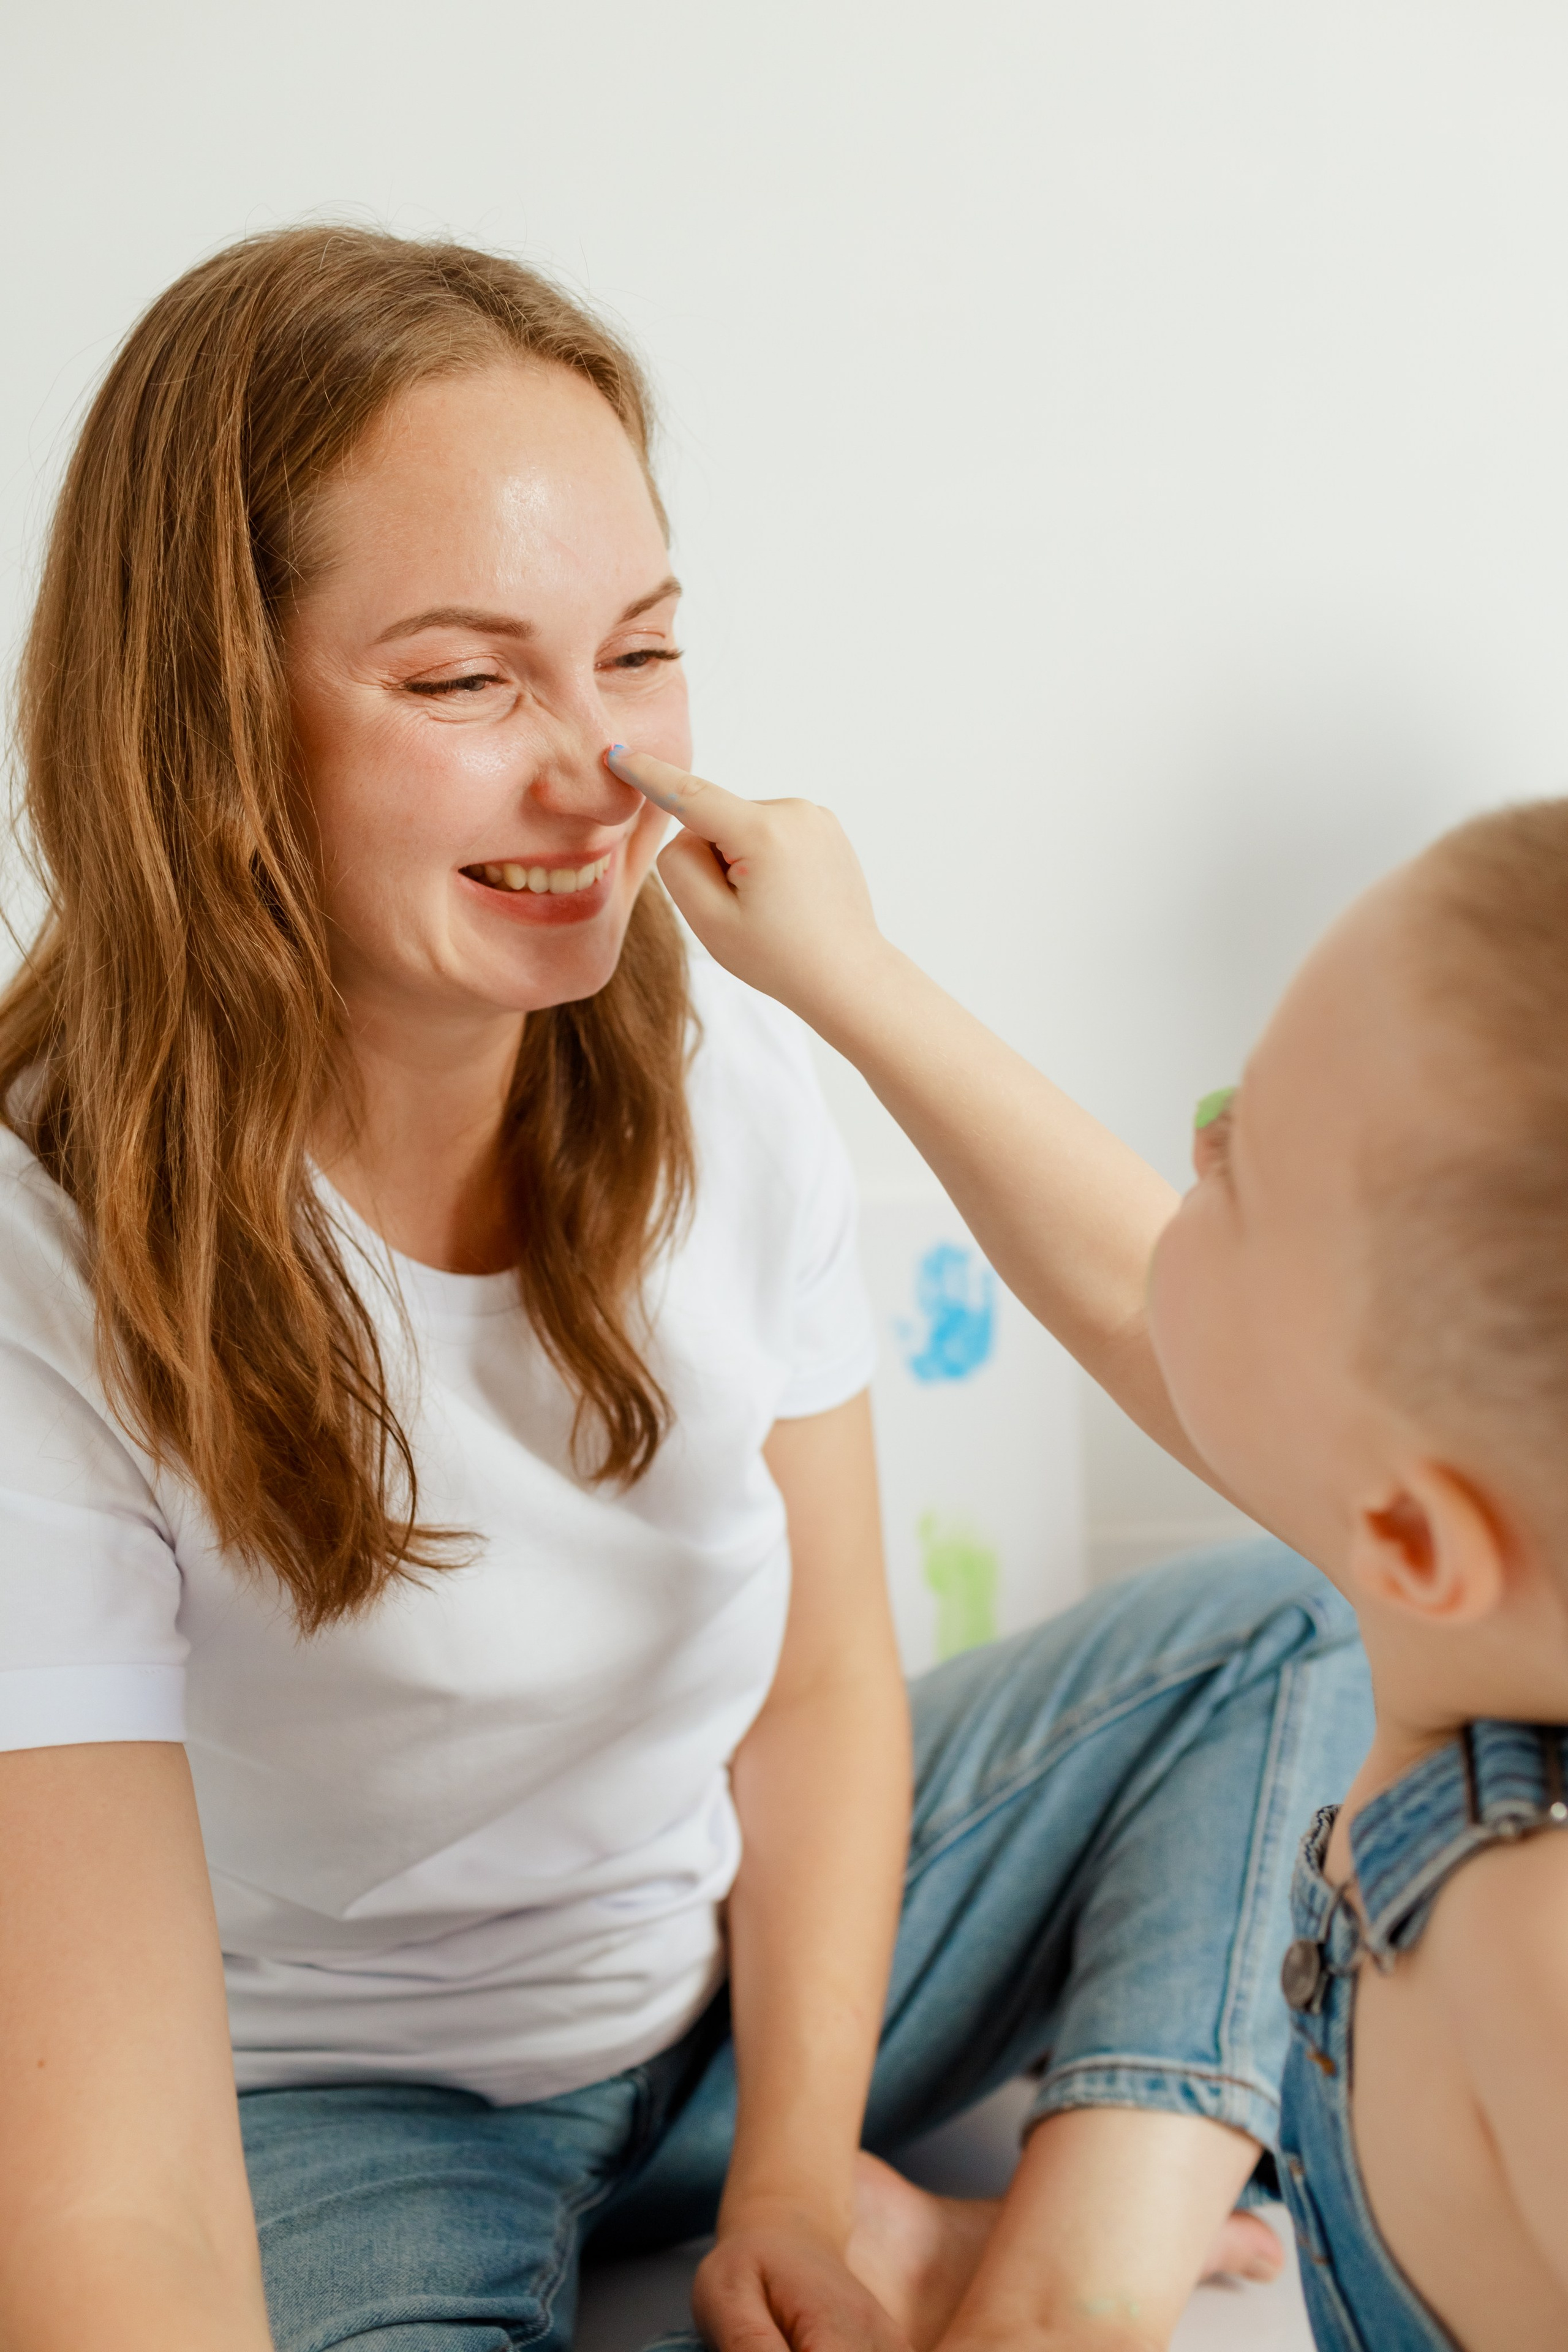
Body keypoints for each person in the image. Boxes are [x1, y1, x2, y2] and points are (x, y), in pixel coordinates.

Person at [0, 225, 1368, 2352]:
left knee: (1295, 1617)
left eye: (637, 652)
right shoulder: (44, 1265)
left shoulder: (726, 1066)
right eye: (467, 680)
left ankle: (1055, 2275)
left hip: (739, 1998)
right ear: (207, 725)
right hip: (356, 2104)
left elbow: (825, 1690)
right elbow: (110, 2206)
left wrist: (805, 2171)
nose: (592, 774)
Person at [606, 742, 1568, 2351]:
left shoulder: (1530, 1938)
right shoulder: (1456, 1576)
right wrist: (851, 977)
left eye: (1239, 1163)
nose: (1189, 1152)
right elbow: (1145, 1295)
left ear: (1408, 1534)